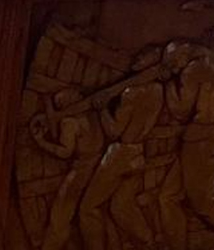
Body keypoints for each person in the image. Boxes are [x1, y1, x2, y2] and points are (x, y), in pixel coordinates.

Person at [159, 39, 214, 247]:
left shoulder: (193, 70)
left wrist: (168, 86)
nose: (175, 70)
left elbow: (181, 110)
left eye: (173, 65)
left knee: (203, 201)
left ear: (182, 54)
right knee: (168, 196)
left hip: (201, 138)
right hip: (210, 134)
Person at [79, 48, 164, 250]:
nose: (139, 56)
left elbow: (114, 131)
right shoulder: (158, 90)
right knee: (121, 206)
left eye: (145, 56)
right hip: (138, 153)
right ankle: (148, 243)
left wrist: (101, 109)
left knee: (88, 208)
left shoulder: (131, 93)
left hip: (121, 154)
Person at [28, 89, 103, 250]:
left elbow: (64, 152)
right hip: (98, 165)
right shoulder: (93, 114)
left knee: (60, 214)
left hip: (82, 171)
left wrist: (41, 141)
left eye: (59, 104)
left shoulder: (69, 123)